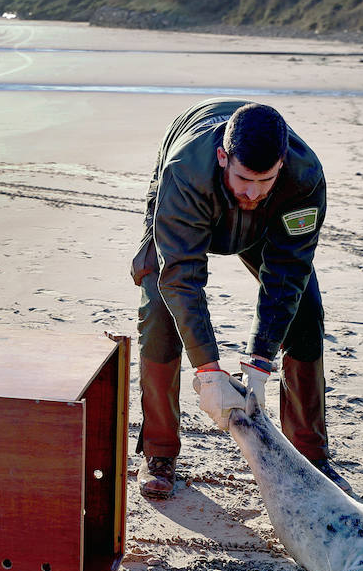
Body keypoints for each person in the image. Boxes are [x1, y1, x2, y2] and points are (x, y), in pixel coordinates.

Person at [131, 98, 351, 499]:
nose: (251, 192)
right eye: (244, 178)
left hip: (266, 228)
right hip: (192, 207)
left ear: (281, 165)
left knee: (304, 312)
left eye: (263, 181)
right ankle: (158, 452)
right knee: (160, 311)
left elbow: (286, 277)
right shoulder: (185, 172)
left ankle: (312, 457)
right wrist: (210, 373)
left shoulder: (304, 178)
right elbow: (182, 278)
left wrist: (259, 363)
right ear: (222, 157)